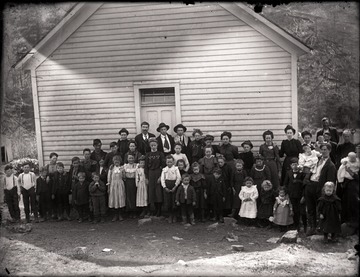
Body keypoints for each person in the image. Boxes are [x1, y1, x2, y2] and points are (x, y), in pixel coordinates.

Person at [305, 143, 337, 236]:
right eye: (322, 149)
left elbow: (330, 182)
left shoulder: (331, 165)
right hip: (310, 185)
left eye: (325, 149)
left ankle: (321, 228)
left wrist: (325, 191)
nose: (323, 151)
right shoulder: (316, 160)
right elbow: (309, 170)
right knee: (310, 208)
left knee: (321, 209)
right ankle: (312, 227)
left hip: (320, 188)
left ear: (329, 150)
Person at [283, 157, 307, 233]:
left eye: (296, 164)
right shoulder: (288, 173)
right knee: (294, 210)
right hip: (292, 194)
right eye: (293, 165)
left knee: (301, 210)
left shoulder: (302, 173)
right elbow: (285, 184)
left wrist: (303, 195)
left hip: (300, 195)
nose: (295, 166)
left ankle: (304, 226)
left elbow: (304, 185)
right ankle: (295, 225)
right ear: (290, 166)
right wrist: (286, 193)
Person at [145, 137, 166, 217]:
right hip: (150, 173)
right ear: (150, 146)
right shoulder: (148, 155)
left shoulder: (160, 154)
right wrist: (146, 177)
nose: (153, 146)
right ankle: (153, 209)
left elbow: (163, 166)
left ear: (157, 145)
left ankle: (159, 210)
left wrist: (161, 176)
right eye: (152, 145)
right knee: (151, 192)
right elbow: (146, 167)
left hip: (158, 172)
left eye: (154, 145)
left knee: (158, 192)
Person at [161, 155, 181, 223]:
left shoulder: (176, 169)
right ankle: (170, 216)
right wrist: (165, 187)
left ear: (173, 162)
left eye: (170, 162)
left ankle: (174, 215)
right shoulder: (164, 169)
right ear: (166, 162)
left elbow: (179, 178)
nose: (169, 163)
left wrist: (175, 186)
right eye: (168, 162)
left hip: (174, 186)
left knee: (174, 201)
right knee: (168, 201)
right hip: (167, 186)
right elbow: (162, 179)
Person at [107, 155, 126, 222]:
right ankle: (115, 214)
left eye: (118, 161)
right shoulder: (111, 169)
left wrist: (123, 173)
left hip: (120, 184)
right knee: (114, 199)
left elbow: (124, 177)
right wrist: (109, 187)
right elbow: (109, 178)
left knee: (120, 198)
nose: (116, 162)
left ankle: (120, 214)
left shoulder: (122, 168)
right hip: (113, 185)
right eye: (115, 161)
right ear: (113, 161)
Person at [123, 153, 138, 218]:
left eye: (132, 158)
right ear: (127, 159)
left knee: (134, 196)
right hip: (127, 182)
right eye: (129, 158)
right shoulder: (125, 166)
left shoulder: (136, 165)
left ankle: (134, 211)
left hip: (134, 181)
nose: (131, 159)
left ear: (134, 158)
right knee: (128, 196)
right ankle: (129, 211)